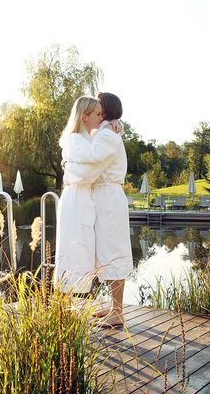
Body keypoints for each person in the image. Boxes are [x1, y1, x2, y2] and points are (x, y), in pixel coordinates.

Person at [63, 92, 133, 327]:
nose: (97, 111)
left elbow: (91, 166)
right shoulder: (105, 132)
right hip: (102, 197)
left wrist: (69, 170)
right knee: (104, 252)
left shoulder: (107, 136)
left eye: (99, 107)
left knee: (113, 251)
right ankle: (114, 307)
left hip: (108, 198)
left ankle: (118, 312)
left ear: (105, 110)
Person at [55, 96, 119, 294]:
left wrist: (114, 126)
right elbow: (90, 166)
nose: (102, 119)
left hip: (83, 199)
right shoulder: (75, 140)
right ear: (84, 116)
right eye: (99, 114)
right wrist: (74, 173)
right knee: (73, 250)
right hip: (75, 200)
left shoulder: (88, 139)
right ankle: (65, 308)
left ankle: (75, 307)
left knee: (83, 253)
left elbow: (87, 169)